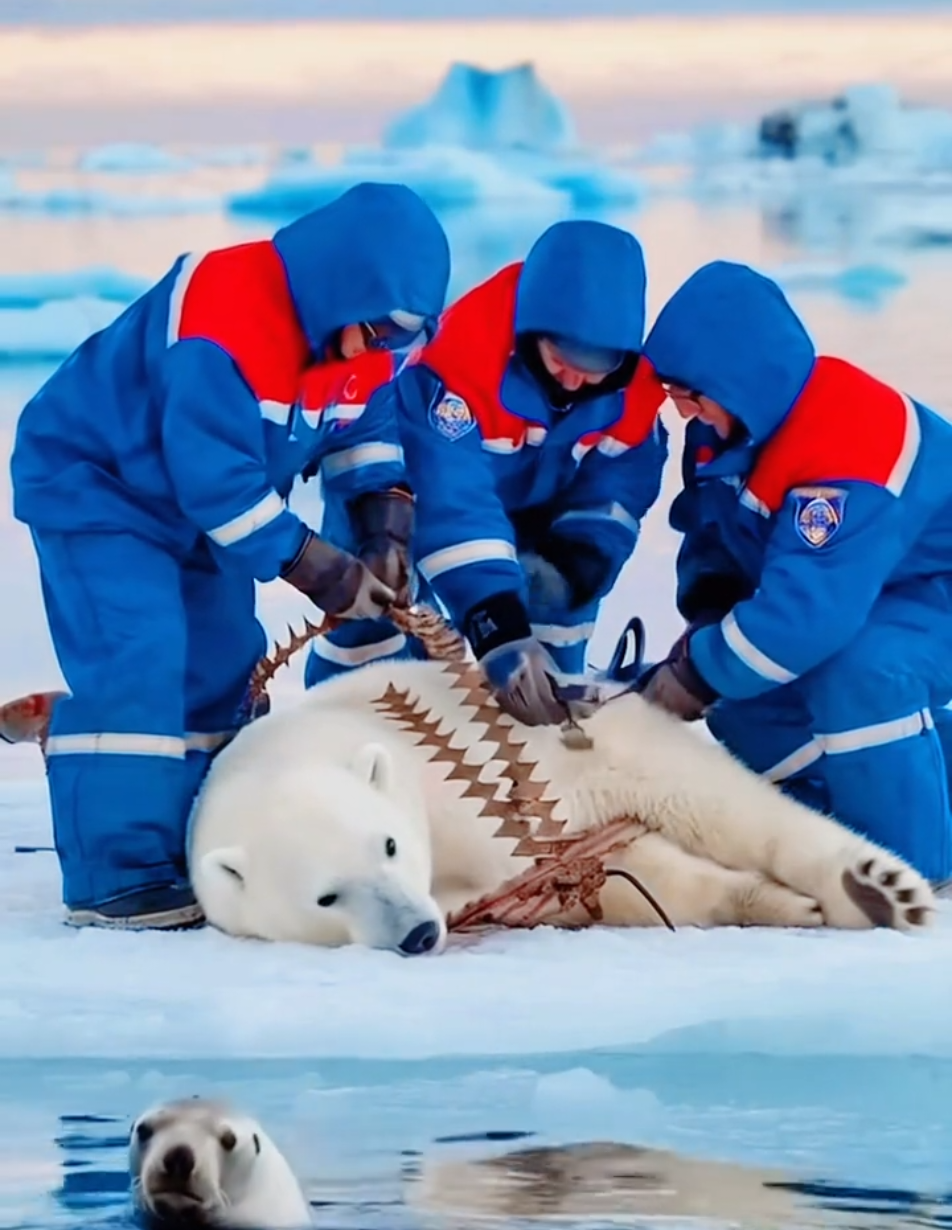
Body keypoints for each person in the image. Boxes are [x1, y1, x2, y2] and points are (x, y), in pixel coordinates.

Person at [8, 181, 451, 930]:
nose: (387, 351)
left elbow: (364, 434)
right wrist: (321, 568)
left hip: (198, 510)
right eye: (382, 331)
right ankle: (117, 875)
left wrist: (384, 528)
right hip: (100, 490)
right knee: (139, 659)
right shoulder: (225, 322)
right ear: (344, 289)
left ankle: (198, 839)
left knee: (224, 666)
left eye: (403, 338)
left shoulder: (362, 341)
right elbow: (216, 483)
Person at [638, 259, 952, 884]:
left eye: (688, 396)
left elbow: (808, 620)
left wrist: (693, 673)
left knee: (859, 673)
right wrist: (708, 611)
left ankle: (909, 870)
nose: (679, 413)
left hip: (932, 593)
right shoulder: (728, 428)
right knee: (740, 702)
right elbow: (712, 530)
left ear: (738, 378)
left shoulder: (850, 443)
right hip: (871, 592)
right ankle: (828, 829)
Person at [304, 219, 669, 728]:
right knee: (372, 626)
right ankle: (337, 745)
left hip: (539, 508)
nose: (576, 378)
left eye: (597, 365)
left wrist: (584, 552)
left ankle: (551, 767)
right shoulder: (458, 361)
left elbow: (621, 485)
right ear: (533, 329)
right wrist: (495, 625)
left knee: (558, 622)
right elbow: (451, 498)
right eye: (562, 358)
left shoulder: (635, 391)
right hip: (403, 499)